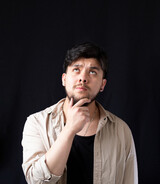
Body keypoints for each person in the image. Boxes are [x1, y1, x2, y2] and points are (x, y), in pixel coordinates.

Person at [22, 42, 138, 184]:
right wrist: (70, 129)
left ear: (103, 84)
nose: (83, 78)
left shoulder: (121, 130)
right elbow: (36, 181)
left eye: (92, 72)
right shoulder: (37, 123)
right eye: (76, 69)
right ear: (64, 79)